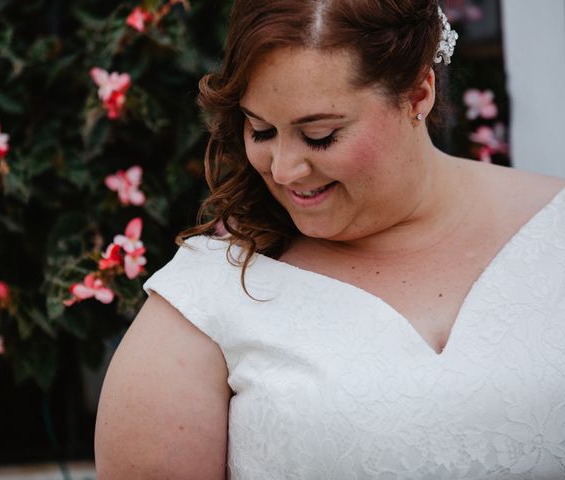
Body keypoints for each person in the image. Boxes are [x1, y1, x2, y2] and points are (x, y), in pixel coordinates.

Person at [94, 0, 565, 478]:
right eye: (260, 130)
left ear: (418, 94)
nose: (283, 169)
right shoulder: (206, 296)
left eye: (319, 135)